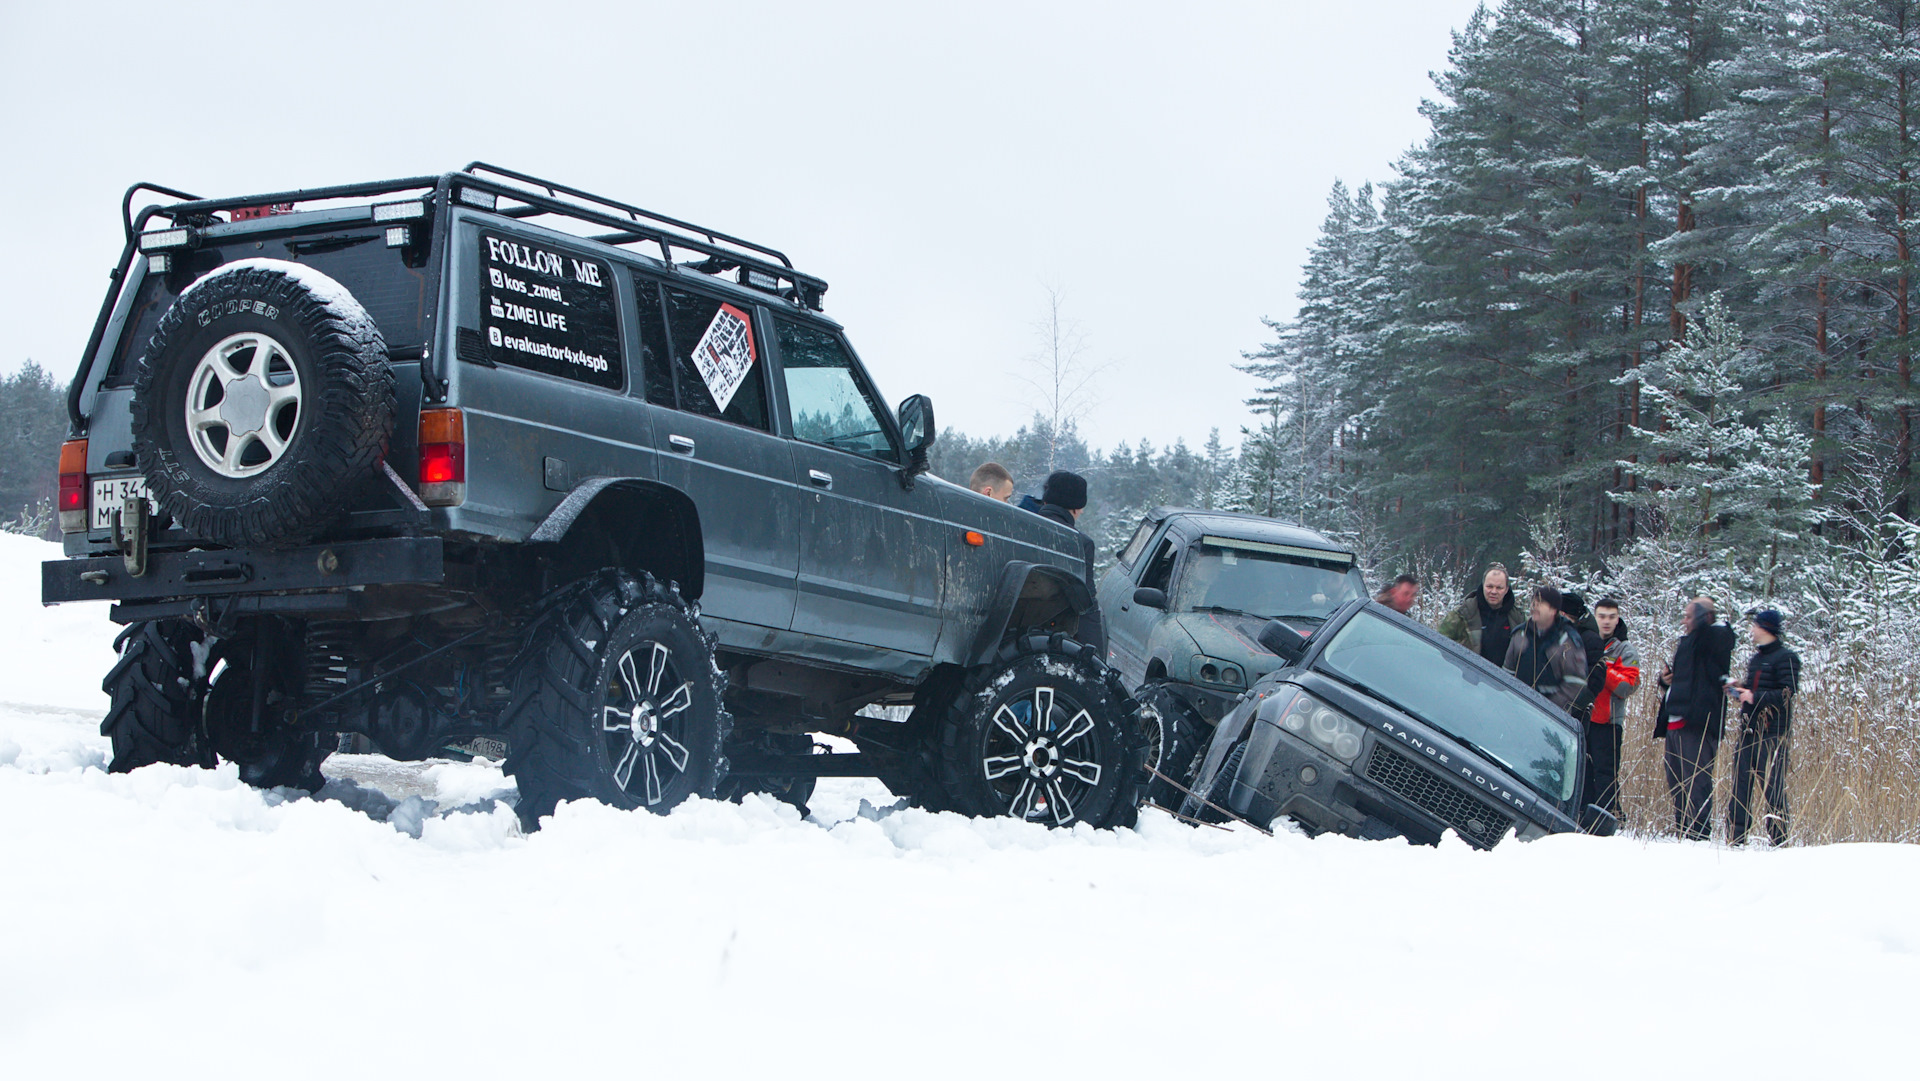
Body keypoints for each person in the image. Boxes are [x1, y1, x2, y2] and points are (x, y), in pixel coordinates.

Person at [1655, 597, 1736, 841]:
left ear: (1704, 618)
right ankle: (1683, 833)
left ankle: (1698, 838)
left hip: (1698, 724)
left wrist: (1704, 615)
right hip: (1675, 721)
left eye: (1690, 616)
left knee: (1697, 783)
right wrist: (1666, 680)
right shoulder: (1688, 644)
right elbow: (1688, 677)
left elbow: (1717, 639)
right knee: (1677, 783)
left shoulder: (1714, 639)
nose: (1684, 621)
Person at [1728, 608, 1802, 847]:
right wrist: (1739, 689)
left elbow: (1787, 693)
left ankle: (1779, 842)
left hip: (1773, 733)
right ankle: (1735, 839)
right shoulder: (1757, 658)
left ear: (1767, 628)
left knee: (1773, 789)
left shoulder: (1786, 657)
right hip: (1748, 730)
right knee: (1740, 786)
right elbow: (1756, 689)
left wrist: (1754, 696)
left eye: (1755, 626)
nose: (1751, 631)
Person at [1571, 596, 1640, 824]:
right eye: (1601, 616)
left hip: (1608, 722)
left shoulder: (1625, 649)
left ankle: (1608, 821)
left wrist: (1602, 666)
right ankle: (1582, 818)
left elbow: (1626, 686)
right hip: (1583, 718)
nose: (1606, 622)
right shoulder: (1584, 641)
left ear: (1618, 618)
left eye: (1611, 617)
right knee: (1582, 773)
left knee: (1606, 776)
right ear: (1594, 617)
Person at [1029, 470, 1104, 653]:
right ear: (1076, 508)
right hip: (1055, 639)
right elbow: (1086, 603)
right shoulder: (1080, 543)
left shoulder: (1020, 527)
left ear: (1046, 500)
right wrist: (1095, 656)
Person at [1503, 584, 1588, 712]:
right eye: (1534, 602)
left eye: (1541, 604)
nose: (1535, 607)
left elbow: (1575, 683)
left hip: (1553, 717)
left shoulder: (1568, 640)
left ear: (1553, 610)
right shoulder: (1520, 634)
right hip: (1517, 710)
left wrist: (1547, 708)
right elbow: (1506, 674)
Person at [1437, 563, 1519, 667]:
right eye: (1489, 586)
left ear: (1507, 589)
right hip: (1467, 678)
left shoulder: (1517, 618)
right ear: (1483, 585)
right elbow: (1439, 645)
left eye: (1499, 588)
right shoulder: (1462, 615)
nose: (1493, 591)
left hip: (1504, 681)